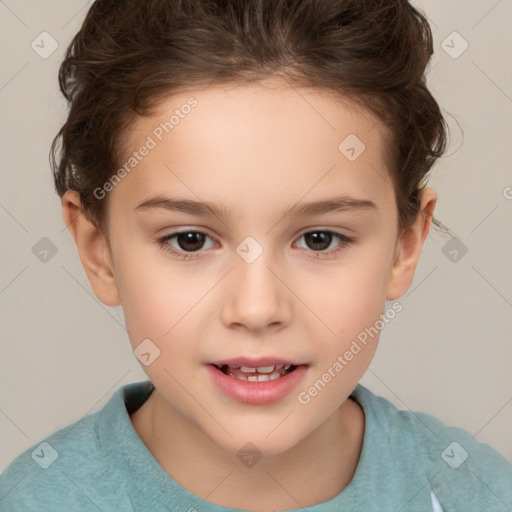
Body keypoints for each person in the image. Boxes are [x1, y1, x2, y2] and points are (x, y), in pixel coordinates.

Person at [1, 0, 511, 510]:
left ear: (405, 246)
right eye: (190, 240)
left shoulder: (475, 492)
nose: (257, 308)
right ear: (99, 252)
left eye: (320, 239)